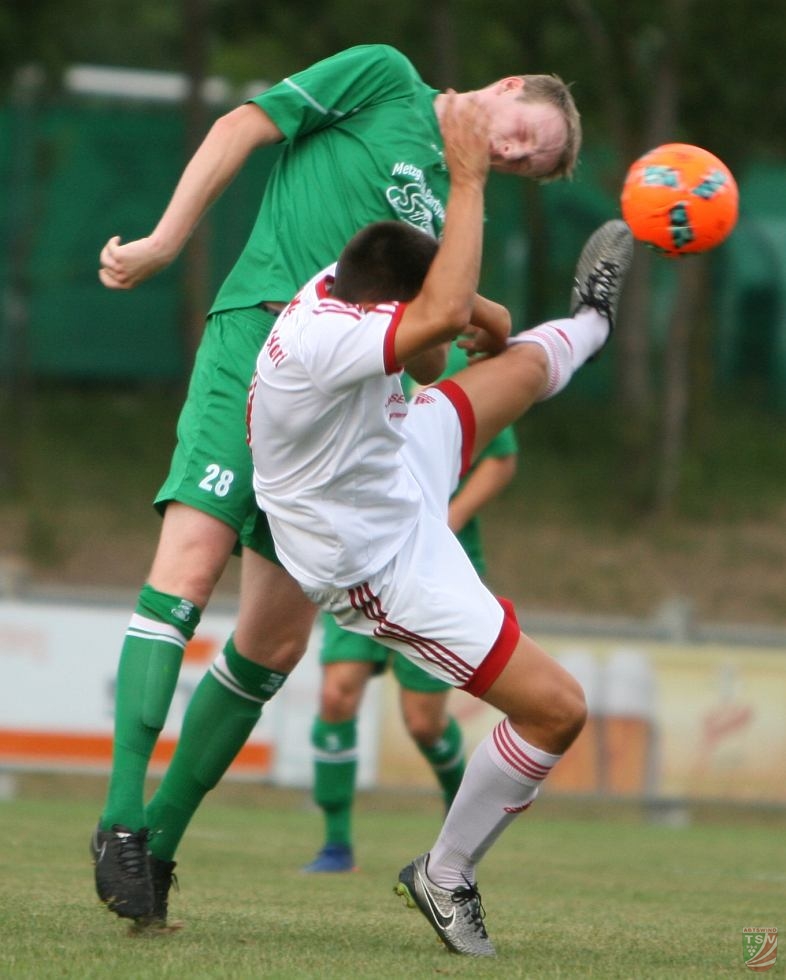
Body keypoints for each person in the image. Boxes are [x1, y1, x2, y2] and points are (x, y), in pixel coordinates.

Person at [91, 43, 583, 929]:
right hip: (262, 345)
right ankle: (121, 819)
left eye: (526, 163)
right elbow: (242, 125)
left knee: (274, 645)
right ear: (508, 86)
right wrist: (165, 240)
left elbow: (429, 342)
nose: (512, 154)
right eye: (523, 133)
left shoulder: (452, 197)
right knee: (189, 569)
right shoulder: (386, 78)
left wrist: (479, 318)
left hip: (338, 439)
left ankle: (156, 849)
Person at [247, 93, 633, 954]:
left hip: (386, 461)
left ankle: (590, 324)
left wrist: (494, 322)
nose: (440, 340)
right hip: (374, 560)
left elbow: (452, 318)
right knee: (557, 711)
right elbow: (441, 320)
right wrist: (467, 181)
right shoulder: (326, 341)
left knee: (521, 369)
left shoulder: (346, 285)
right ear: (393, 311)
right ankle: (446, 873)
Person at [304, 343, 518, 874]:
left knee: (423, 723)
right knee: (336, 694)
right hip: (362, 556)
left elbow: (501, 458)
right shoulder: (362, 349)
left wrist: (449, 515)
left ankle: (457, 815)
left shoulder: (462, 362)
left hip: (433, 566)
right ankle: (335, 844)